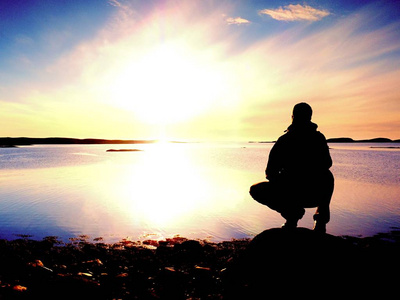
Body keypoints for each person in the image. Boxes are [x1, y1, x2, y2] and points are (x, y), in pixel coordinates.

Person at [249, 103, 334, 233]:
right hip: (296, 192)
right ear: (310, 117)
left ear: (292, 117)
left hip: (309, 192)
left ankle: (314, 220)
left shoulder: (289, 140)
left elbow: (270, 172)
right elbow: (270, 172)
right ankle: (294, 216)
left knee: (327, 176)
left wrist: (283, 179)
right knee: (327, 176)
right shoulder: (314, 138)